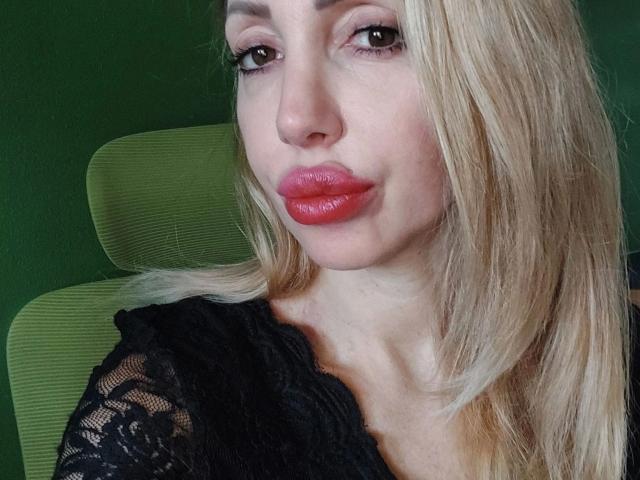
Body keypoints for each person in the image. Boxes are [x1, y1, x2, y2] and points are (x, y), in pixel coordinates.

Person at [52, 0, 638, 478]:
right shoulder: (159, 413)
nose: (293, 118)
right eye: (259, 53)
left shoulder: (615, 353)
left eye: (375, 36)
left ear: (514, 69)